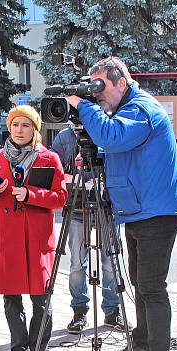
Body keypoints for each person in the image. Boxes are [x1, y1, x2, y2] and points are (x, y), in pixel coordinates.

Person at [66, 57, 177, 351]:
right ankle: (142, 346)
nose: (96, 95)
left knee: (151, 287)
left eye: (100, 87)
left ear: (121, 82)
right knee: (140, 283)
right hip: (138, 210)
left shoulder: (140, 109)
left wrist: (82, 107)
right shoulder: (126, 109)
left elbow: (115, 137)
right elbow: (119, 149)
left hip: (155, 211)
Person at [0, 105, 67, 351]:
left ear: (34, 129)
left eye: (26, 125)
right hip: (6, 237)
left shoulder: (49, 158)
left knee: (41, 296)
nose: (19, 130)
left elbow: (60, 197)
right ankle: (18, 348)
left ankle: (37, 347)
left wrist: (31, 195)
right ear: (9, 127)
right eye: (15, 124)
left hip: (38, 240)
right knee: (11, 297)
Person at [50, 126, 124, 334]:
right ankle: (79, 312)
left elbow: (120, 165)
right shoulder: (65, 138)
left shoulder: (106, 130)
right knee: (76, 264)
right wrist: (73, 177)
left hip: (106, 207)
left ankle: (112, 311)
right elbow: (53, 170)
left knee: (111, 262)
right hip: (76, 208)